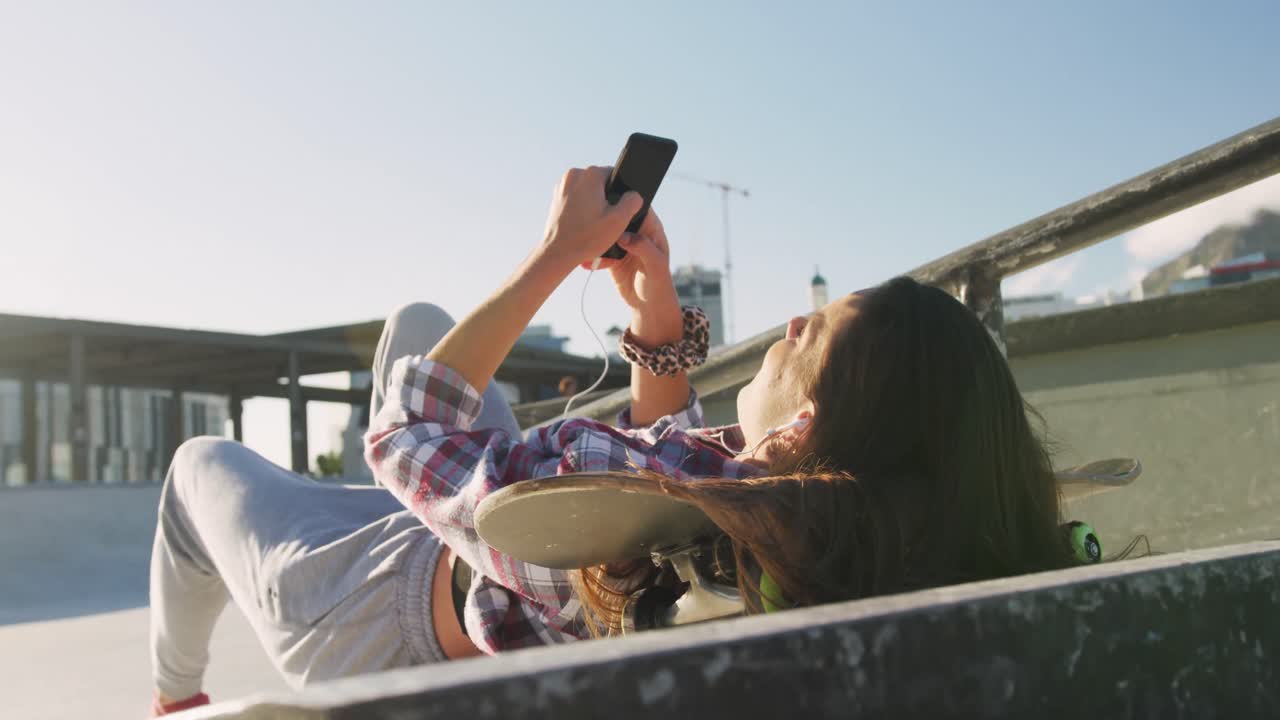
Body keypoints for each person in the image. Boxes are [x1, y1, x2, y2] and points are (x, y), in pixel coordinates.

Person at [148, 166, 1076, 715]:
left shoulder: (610, 500)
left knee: (197, 471)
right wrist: (656, 318)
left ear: (801, 429)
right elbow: (669, 458)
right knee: (420, 318)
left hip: (369, 612)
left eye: (811, 335)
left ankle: (173, 696)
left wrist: (553, 253)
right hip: (477, 547)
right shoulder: (794, 522)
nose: (791, 324)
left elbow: (406, 428)